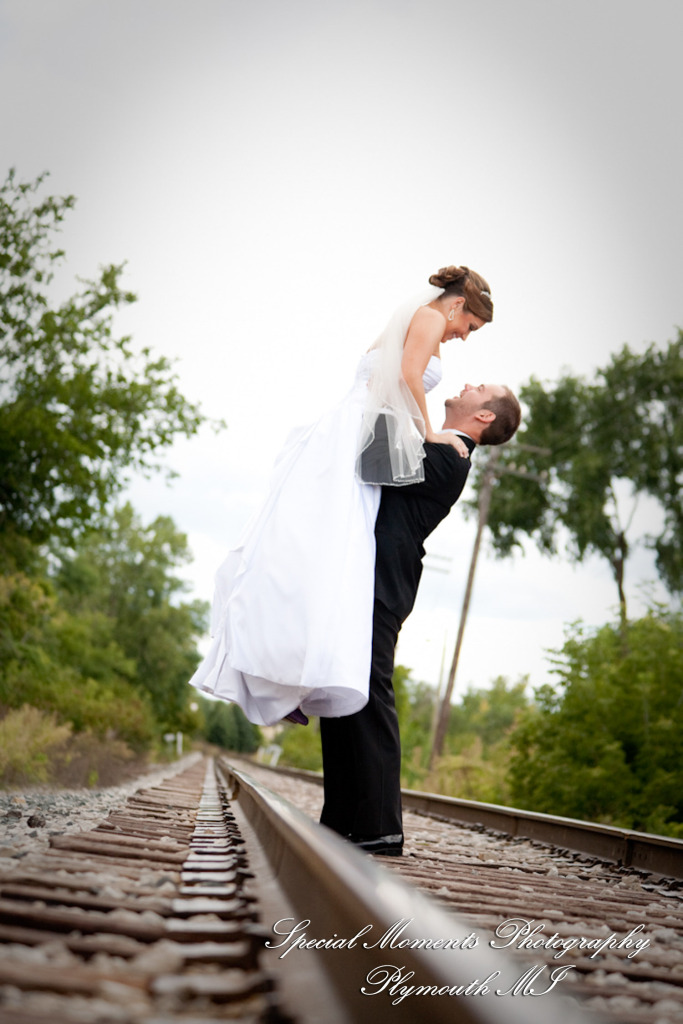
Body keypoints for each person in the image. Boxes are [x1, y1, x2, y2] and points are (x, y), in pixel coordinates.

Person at [188, 266, 493, 726]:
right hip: (360, 430)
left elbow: (384, 377)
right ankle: (289, 675)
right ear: (457, 306)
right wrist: (428, 433)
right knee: (333, 553)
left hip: (360, 428)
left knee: (321, 556)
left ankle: (288, 677)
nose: (463, 337)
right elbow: (410, 375)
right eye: (469, 327)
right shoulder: (430, 318)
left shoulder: (413, 314)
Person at [319, 382, 522, 856]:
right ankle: (341, 821)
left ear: (485, 417)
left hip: (383, 587)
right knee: (341, 693)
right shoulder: (437, 445)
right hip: (361, 582)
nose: (468, 384)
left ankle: (380, 827)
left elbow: (376, 459)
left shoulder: (452, 458)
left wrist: (396, 376)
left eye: (482, 388)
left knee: (370, 694)